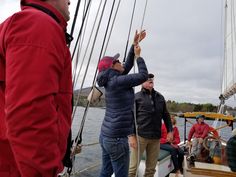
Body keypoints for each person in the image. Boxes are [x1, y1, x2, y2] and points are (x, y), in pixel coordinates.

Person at [0, 0, 72, 177]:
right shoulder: (38, 25)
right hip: (15, 167)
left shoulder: (31, 24)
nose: (70, 1)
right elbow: (29, 113)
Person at [96, 30, 148, 177]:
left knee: (106, 172)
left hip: (106, 136)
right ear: (112, 67)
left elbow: (127, 65)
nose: (120, 62)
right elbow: (143, 76)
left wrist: (134, 44)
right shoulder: (118, 81)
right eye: (117, 61)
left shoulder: (113, 80)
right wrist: (139, 57)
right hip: (117, 139)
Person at [128, 73, 173, 177]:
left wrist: (170, 131)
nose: (150, 80)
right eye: (147, 79)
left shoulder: (160, 97)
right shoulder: (136, 97)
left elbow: (166, 116)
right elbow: (130, 118)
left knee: (151, 170)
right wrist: (131, 136)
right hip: (140, 137)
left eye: (151, 79)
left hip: (156, 138)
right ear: (141, 82)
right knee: (132, 169)